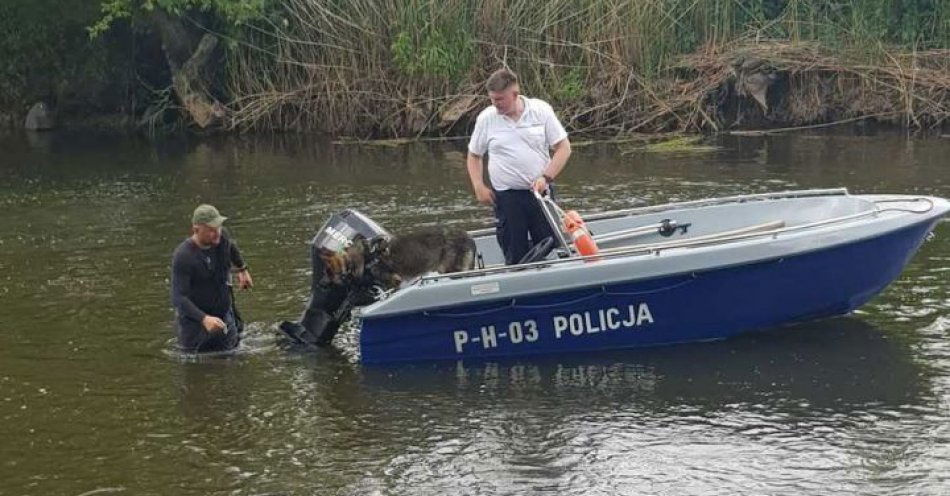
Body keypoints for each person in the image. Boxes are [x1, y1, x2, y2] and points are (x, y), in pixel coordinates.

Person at [466, 68, 572, 265]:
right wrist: (478, 186)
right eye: (492, 99)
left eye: (500, 99)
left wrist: (546, 177)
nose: (495, 104)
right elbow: (474, 156)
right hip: (507, 197)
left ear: (514, 94)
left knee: (549, 247)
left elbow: (563, 148)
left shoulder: (540, 111)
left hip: (540, 193)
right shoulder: (486, 119)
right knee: (514, 252)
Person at [170, 204, 253, 353]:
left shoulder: (221, 237)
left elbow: (231, 247)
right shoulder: (184, 256)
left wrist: (242, 269)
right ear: (196, 230)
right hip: (196, 322)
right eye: (211, 230)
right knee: (200, 362)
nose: (217, 233)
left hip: (224, 312)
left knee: (232, 355)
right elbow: (178, 298)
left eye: (219, 227)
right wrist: (204, 318)